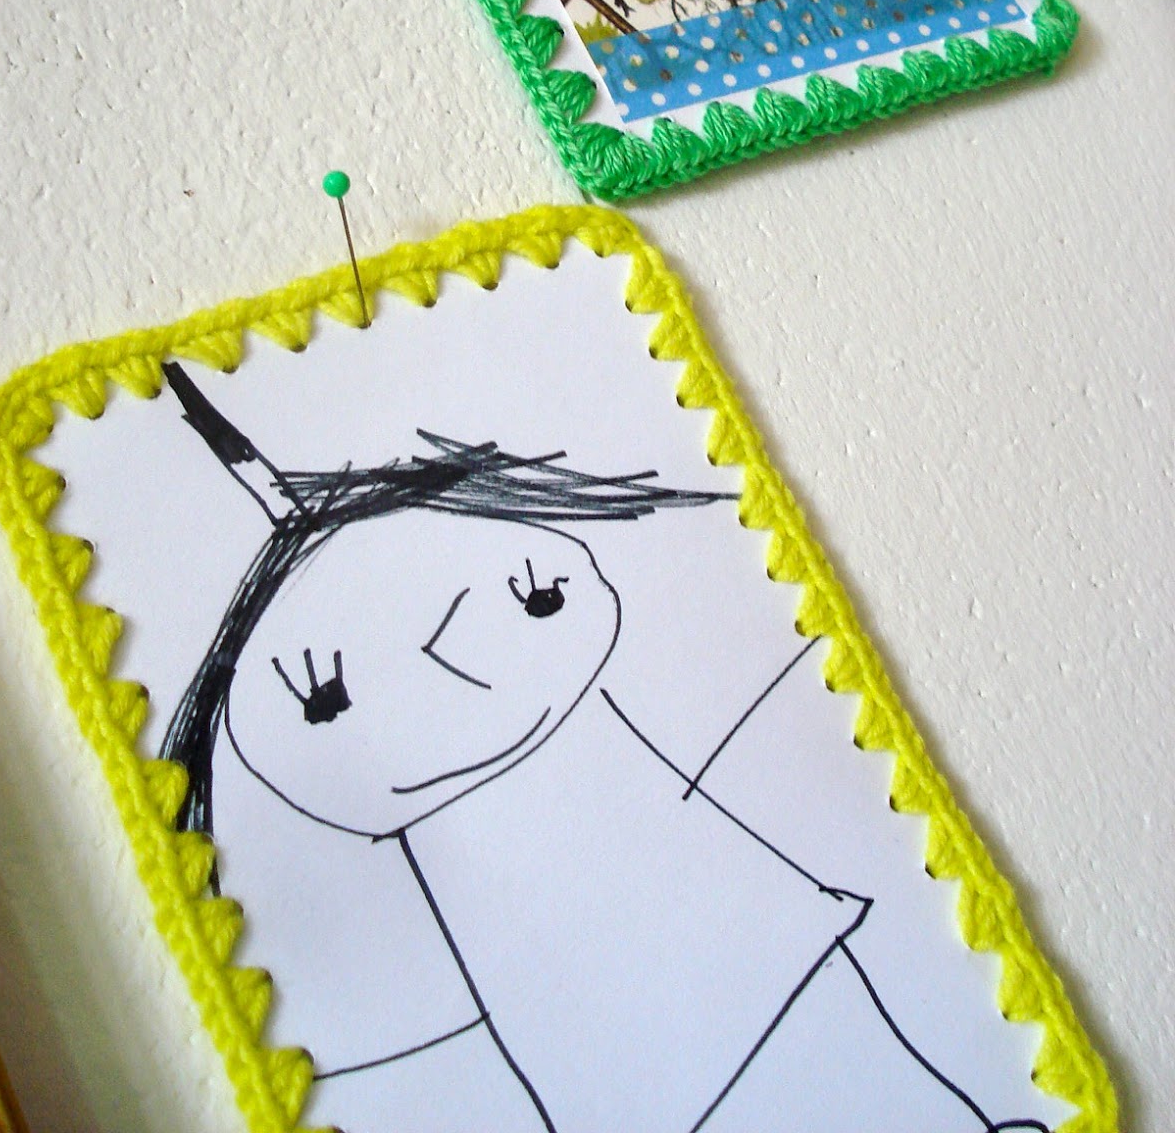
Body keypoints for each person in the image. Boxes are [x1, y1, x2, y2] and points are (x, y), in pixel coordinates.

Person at [160, 361, 1049, 1133]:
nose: (462, 676)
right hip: (615, 1049)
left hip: (739, 931)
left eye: (536, 596)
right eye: (327, 701)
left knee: (834, 1022)